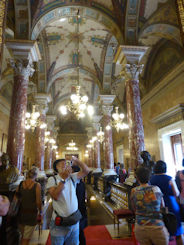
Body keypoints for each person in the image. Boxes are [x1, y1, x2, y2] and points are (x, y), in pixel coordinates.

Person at [47, 156, 89, 245]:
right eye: (62, 165)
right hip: (59, 224)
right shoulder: (52, 179)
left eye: (67, 164)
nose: (66, 166)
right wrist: (63, 180)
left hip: (74, 221)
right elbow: (55, 196)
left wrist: (76, 160)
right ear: (56, 168)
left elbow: (86, 171)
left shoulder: (72, 177)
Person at [131, 165, 169, 245]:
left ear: (137, 177)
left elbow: (134, 208)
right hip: (156, 226)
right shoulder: (156, 189)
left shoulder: (133, 191)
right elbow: (162, 207)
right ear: (149, 177)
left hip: (140, 227)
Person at [150, 160, 184, 245]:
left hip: (156, 204)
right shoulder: (169, 178)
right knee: (178, 231)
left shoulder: (151, 179)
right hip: (171, 204)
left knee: (159, 229)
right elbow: (176, 193)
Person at [18, 167, 42, 245]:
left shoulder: (21, 184)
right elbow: (38, 202)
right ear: (36, 175)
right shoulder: (37, 185)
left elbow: (16, 198)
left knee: (23, 236)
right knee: (26, 239)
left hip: (21, 214)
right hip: (31, 214)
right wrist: (40, 212)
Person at [72, 165, 87, 245]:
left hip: (77, 209)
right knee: (79, 230)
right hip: (80, 208)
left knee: (78, 231)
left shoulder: (73, 183)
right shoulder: (82, 183)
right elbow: (85, 196)